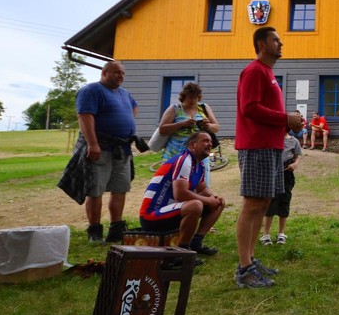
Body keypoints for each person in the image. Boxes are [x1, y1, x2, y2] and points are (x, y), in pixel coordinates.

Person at [234, 26, 305, 289]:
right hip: (256, 146)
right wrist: (285, 118)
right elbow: (249, 108)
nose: (281, 43)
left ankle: (251, 260)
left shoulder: (268, 73)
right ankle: (244, 268)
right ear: (262, 45)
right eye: (276, 40)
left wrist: (289, 123)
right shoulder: (254, 71)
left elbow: (264, 110)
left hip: (271, 146)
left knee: (263, 203)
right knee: (252, 203)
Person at [74, 61, 138, 243]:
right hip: (100, 147)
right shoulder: (91, 90)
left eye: (123, 73)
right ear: (104, 73)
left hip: (121, 149)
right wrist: (92, 144)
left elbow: (134, 107)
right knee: (95, 189)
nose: (121, 76)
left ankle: (116, 228)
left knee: (120, 188)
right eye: (116, 72)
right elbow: (85, 117)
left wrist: (124, 121)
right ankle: (94, 230)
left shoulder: (124, 93)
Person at [139, 131, 226, 255]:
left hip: (171, 209)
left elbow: (202, 189)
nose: (210, 144)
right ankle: (182, 252)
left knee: (219, 202)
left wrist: (214, 198)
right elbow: (180, 195)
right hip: (151, 215)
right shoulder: (184, 160)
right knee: (195, 205)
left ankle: (196, 243)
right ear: (192, 145)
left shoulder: (199, 164)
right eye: (205, 141)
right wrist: (208, 200)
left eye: (211, 142)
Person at [155, 82, 220, 185]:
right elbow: (162, 129)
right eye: (190, 98)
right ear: (184, 96)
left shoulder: (203, 108)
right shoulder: (175, 108)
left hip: (200, 154)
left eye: (195, 98)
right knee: (174, 185)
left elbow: (216, 127)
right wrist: (182, 124)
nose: (193, 101)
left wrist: (207, 125)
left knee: (201, 185)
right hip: (176, 153)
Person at [260, 131, 302, 246]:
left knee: (285, 202)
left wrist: (295, 164)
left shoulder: (294, 141)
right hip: (272, 175)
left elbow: (297, 157)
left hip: (287, 175)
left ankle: (281, 233)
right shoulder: (271, 138)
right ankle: (266, 234)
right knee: (271, 203)